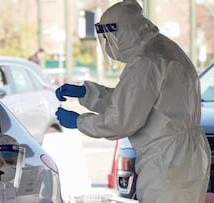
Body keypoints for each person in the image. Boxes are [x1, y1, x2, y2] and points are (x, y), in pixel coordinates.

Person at [55, 0, 211, 202]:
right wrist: (87, 93)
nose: (109, 45)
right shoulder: (165, 48)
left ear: (122, 33)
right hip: (190, 155)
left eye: (110, 38)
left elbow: (121, 120)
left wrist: (79, 121)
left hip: (165, 162)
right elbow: (135, 101)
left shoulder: (145, 62)